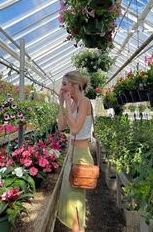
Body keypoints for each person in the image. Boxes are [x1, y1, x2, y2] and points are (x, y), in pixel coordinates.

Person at [57, 70, 94, 232]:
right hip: (72, 155)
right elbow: (61, 126)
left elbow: (74, 128)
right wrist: (61, 104)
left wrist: (67, 105)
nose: (62, 88)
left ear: (75, 85)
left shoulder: (85, 102)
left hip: (81, 156)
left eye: (65, 84)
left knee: (75, 201)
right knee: (69, 200)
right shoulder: (73, 103)